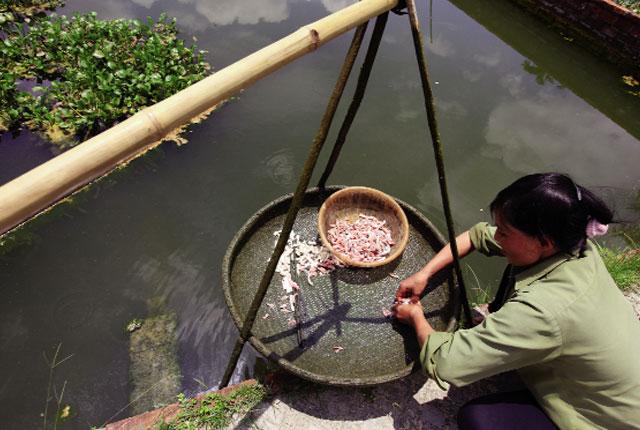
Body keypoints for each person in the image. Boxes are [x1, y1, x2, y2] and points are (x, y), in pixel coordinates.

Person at [393, 173, 640, 429]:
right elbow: (475, 237)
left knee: (480, 420)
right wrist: (424, 274)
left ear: (544, 242)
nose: (496, 237)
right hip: (616, 380)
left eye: (505, 232)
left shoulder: (543, 310)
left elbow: (446, 363)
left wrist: (415, 316)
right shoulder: (573, 246)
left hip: (607, 419)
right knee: (515, 264)